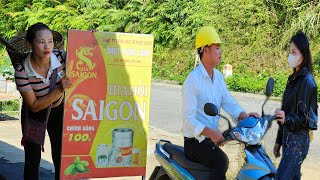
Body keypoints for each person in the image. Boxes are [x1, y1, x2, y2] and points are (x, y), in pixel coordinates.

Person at [182, 26, 259, 179]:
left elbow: (227, 100)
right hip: (195, 143)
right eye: (217, 48)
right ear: (205, 50)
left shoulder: (217, 77)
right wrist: (211, 133)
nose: (220, 52)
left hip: (211, 139)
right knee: (221, 161)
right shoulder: (192, 80)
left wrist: (245, 116)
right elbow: (188, 120)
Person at [14, 22, 72, 180]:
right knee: (32, 159)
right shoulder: (22, 71)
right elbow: (34, 106)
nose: (47, 46)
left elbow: (87, 55)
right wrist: (59, 89)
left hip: (58, 110)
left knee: (61, 156)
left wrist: (89, 38)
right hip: (34, 115)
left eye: (50, 41)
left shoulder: (61, 56)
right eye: (41, 42)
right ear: (30, 44)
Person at [274, 31, 318, 180]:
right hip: (288, 141)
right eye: (290, 52)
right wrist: (279, 141)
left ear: (303, 55)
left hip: (298, 144)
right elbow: (284, 112)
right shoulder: (292, 79)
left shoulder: (307, 82)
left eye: (294, 52)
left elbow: (308, 118)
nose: (290, 56)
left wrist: (287, 118)